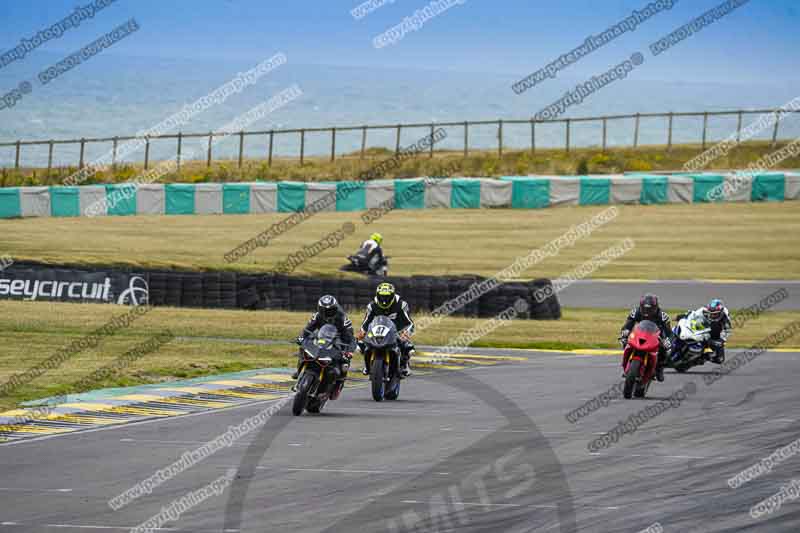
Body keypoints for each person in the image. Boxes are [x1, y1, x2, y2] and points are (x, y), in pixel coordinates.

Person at [357, 282, 415, 377]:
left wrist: (406, 332)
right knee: (361, 344)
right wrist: (362, 332)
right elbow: (366, 322)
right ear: (377, 295)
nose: (384, 300)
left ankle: (405, 364)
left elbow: (409, 323)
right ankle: (367, 365)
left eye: (387, 297)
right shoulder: (372, 306)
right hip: (375, 331)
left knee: (408, 346)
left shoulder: (401, 304)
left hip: (396, 332)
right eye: (382, 297)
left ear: (392, 296)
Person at [292, 295, 356, 379]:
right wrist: (302, 337)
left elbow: (350, 337)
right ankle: (299, 369)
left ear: (335, 308)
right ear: (320, 309)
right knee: (304, 346)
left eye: (330, 310)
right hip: (321, 335)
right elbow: (308, 328)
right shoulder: (317, 316)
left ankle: (341, 378)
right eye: (324, 310)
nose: (327, 313)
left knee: (344, 360)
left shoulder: (343, 318)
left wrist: (349, 351)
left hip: (338, 337)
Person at [619, 293, 672, 382]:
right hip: (640, 333)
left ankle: (659, 368)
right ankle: (627, 364)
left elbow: (668, 332)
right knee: (626, 341)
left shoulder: (662, 316)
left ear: (656, 307)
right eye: (645, 309)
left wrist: (667, 340)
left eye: (650, 309)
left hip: (656, 335)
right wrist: (625, 332)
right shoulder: (635, 312)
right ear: (641, 307)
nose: (647, 312)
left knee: (665, 349)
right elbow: (628, 324)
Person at [675, 298, 732, 363]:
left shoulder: (725, 317)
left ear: (721, 313)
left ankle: (705, 356)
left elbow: (727, 330)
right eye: (711, 313)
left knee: (719, 360)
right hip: (705, 326)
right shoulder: (703, 310)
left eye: (715, 314)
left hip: (717, 332)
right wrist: (683, 315)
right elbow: (693, 314)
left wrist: (721, 339)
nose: (712, 316)